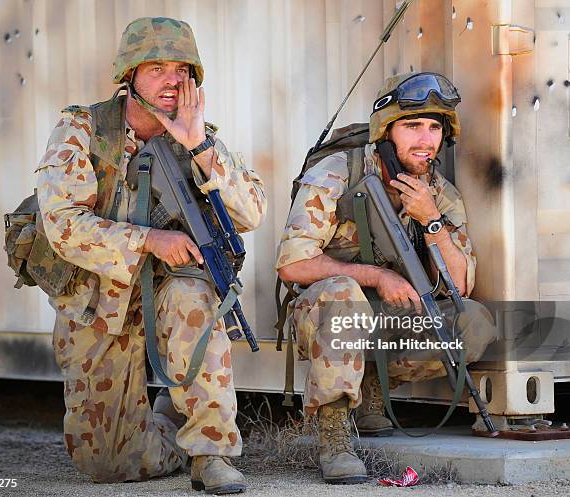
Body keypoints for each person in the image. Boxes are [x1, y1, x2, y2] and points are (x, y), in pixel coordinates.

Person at [36, 16, 266, 494]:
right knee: (105, 463)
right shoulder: (84, 130)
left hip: (168, 288)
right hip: (100, 299)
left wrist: (197, 143)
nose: (172, 80)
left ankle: (210, 452)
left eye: (182, 70)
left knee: (194, 296)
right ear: (130, 75)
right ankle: (168, 423)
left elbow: (253, 212)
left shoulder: (196, 138)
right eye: (157, 67)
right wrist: (147, 240)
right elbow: (61, 225)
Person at [275, 72, 497, 484]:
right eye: (412, 126)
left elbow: (460, 284)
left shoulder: (439, 193)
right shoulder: (339, 171)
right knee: (344, 293)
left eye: (434, 128)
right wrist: (374, 275)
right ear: (386, 130)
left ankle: (372, 381)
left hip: (392, 323)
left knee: (475, 321)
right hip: (328, 320)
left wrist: (431, 221)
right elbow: (292, 264)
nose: (425, 139)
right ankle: (335, 434)